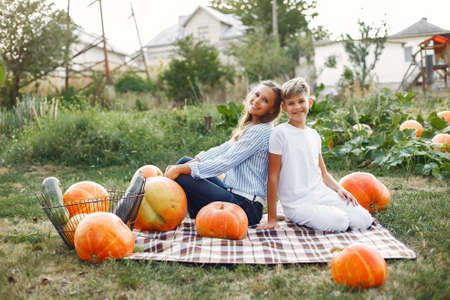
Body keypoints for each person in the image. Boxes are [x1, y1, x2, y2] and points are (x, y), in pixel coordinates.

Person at [259, 77, 373, 232]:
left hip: (320, 194)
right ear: (284, 108)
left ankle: (326, 213)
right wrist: (272, 218)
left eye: (301, 101)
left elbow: (323, 174)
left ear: (309, 103)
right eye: (291, 103)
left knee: (364, 219)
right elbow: (272, 176)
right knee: (340, 222)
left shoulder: (314, 135)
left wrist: (339, 189)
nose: (297, 107)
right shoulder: (280, 133)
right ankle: (291, 214)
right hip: (297, 203)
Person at [164, 80, 283, 226]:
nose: (257, 101)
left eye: (265, 100)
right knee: (184, 161)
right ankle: (201, 215)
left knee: (183, 175)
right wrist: (193, 162)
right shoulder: (254, 127)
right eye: (256, 94)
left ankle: (199, 215)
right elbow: (223, 149)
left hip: (246, 207)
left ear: (272, 110)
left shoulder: (261, 131)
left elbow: (225, 162)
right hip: (233, 194)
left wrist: (182, 170)